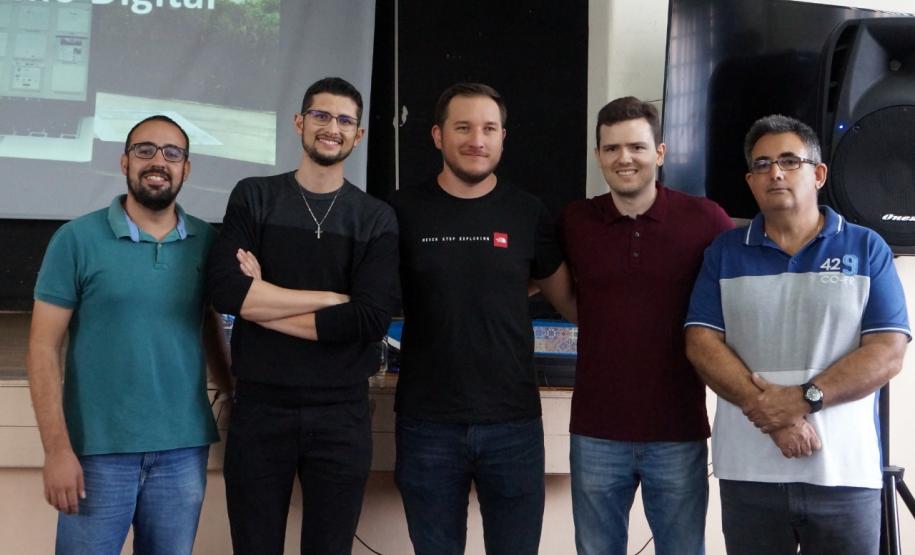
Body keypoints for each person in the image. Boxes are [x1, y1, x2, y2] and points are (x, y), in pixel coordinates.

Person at [685, 114, 910, 555]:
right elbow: (701, 343)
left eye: (790, 160)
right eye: (763, 164)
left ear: (819, 173)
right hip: (749, 476)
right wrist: (770, 412)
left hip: (844, 474)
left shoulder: (866, 248)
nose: (776, 172)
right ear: (750, 181)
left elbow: (887, 352)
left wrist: (803, 399)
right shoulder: (724, 252)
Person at [206, 76, 399, 555]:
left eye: (344, 120)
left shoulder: (375, 217)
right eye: (321, 115)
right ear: (299, 122)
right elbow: (227, 290)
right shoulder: (254, 196)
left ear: (358, 135)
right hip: (258, 411)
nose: (331, 127)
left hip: (341, 415)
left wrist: (264, 297)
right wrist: (332, 298)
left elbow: (368, 319)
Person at [27, 115, 232, 555]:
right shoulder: (75, 239)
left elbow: (210, 327)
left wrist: (232, 392)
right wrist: (56, 451)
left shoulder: (208, 242)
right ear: (124, 162)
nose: (158, 161)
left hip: (182, 451)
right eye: (145, 150)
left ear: (186, 169)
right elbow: (42, 348)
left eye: (172, 153)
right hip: (96, 454)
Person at [389, 82, 576, 555]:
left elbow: (570, 302)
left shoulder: (527, 212)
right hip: (426, 423)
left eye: (489, 128)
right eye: (464, 127)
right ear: (436, 135)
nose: (477, 139)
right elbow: (370, 298)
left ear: (503, 137)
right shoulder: (400, 211)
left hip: (512, 425)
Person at [559, 96, 733, 555]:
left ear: (659, 152)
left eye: (636, 147)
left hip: (678, 430)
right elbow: (553, 290)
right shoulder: (576, 221)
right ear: (598, 155)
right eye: (611, 148)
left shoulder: (706, 219)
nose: (624, 158)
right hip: (596, 431)